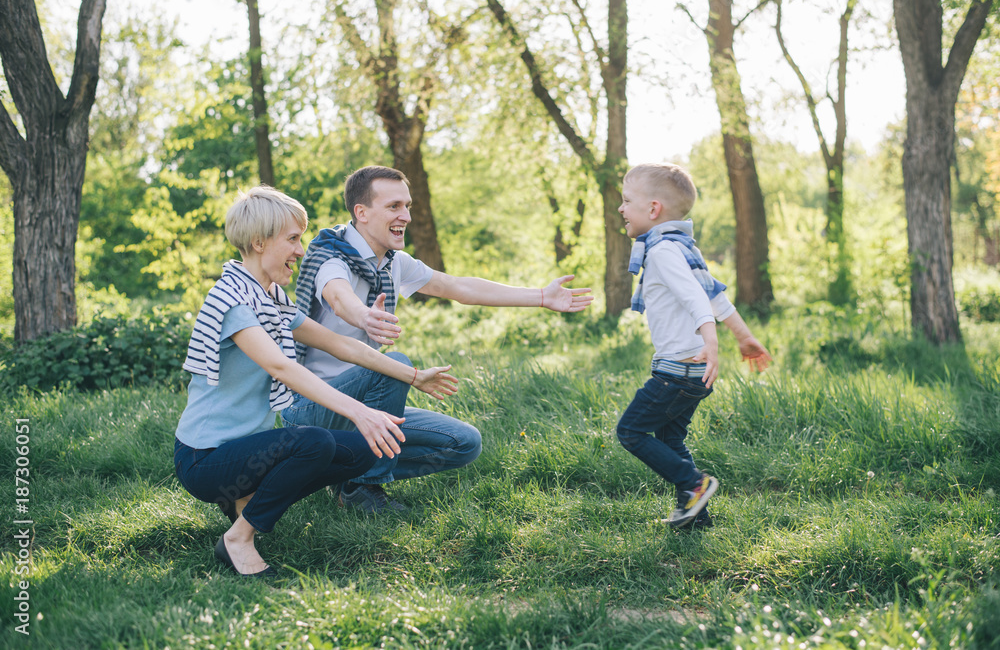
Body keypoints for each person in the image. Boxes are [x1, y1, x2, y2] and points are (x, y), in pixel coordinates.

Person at [173, 185, 458, 577]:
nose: (301, 250)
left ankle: (247, 499)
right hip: (204, 460)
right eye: (292, 239)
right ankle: (238, 538)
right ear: (259, 242)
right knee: (316, 441)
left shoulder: (270, 298)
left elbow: (344, 346)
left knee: (363, 452)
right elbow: (283, 368)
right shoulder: (235, 302)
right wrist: (361, 412)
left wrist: (415, 376)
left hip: (243, 453)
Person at [282, 165, 594, 512]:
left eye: (408, 205)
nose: (406, 216)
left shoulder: (394, 263)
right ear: (362, 213)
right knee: (393, 365)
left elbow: (458, 287)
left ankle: (342, 470)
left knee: (463, 442)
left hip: (364, 409)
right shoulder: (331, 255)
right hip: (312, 408)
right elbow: (339, 297)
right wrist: (364, 316)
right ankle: (362, 488)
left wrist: (540, 296)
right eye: (394, 206)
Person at [615, 163, 771, 529]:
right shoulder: (683, 249)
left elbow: (695, 300)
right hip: (692, 372)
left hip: (678, 372)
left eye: (626, 201)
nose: (621, 209)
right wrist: (743, 336)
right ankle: (695, 514)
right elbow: (713, 294)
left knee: (631, 431)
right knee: (670, 439)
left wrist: (712, 340)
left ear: (653, 209)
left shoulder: (663, 251)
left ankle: (694, 484)